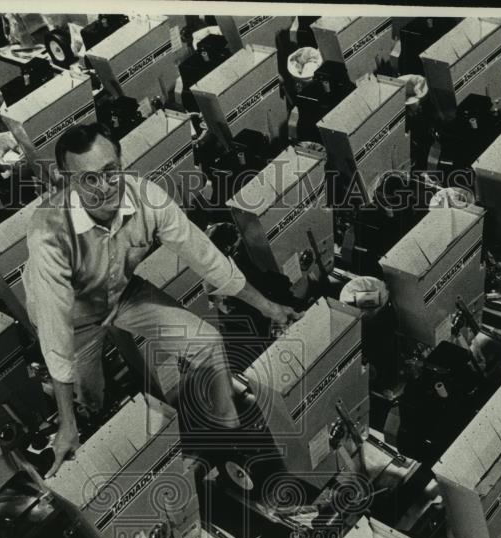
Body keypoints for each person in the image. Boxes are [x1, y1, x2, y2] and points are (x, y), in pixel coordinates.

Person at [23, 123, 301, 478]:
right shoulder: (48, 231)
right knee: (91, 399)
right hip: (73, 319)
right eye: (89, 179)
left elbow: (206, 258)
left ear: (122, 162)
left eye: (110, 172)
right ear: (69, 183)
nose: (105, 187)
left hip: (123, 293)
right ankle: (83, 416)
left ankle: (228, 433)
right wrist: (66, 421)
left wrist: (271, 308)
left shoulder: (147, 198)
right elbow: (55, 330)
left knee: (206, 342)